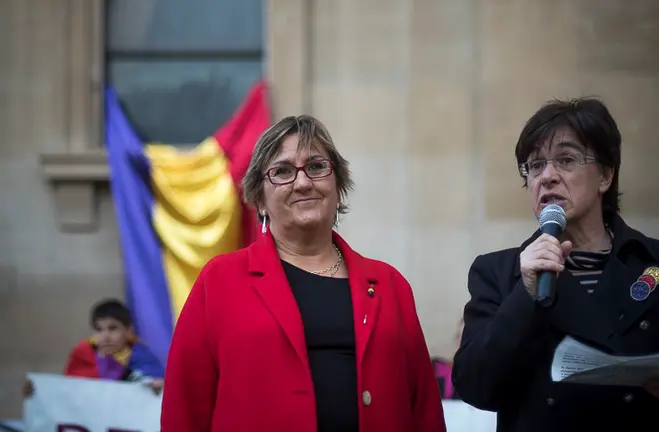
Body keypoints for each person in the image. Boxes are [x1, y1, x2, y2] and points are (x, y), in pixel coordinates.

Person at [451, 98, 659, 431]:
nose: (547, 177)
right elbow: (475, 386)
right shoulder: (498, 271)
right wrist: (525, 295)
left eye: (566, 160)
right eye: (535, 166)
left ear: (605, 176)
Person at [160, 115, 446, 432]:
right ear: (260, 199)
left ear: (338, 186)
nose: (302, 182)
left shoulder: (389, 285)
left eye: (316, 167)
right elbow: (184, 408)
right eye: (282, 172)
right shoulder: (220, 280)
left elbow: (424, 409)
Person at [24, 299, 165, 397]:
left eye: (113, 328)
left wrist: (158, 387)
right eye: (99, 329)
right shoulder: (83, 354)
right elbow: (69, 393)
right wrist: (39, 392)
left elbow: (158, 391)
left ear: (128, 331)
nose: (105, 336)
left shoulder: (141, 356)